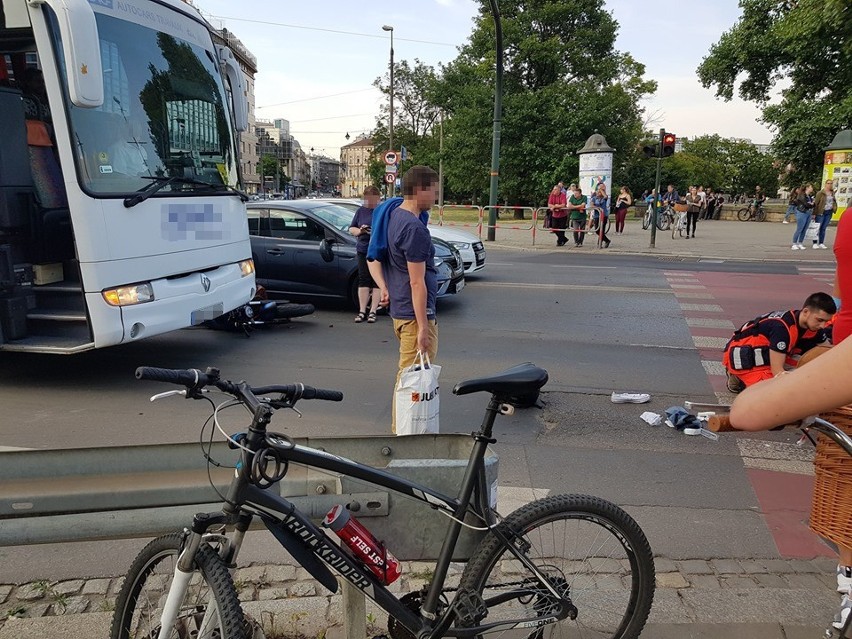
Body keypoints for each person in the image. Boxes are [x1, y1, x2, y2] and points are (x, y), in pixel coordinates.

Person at [367, 165, 440, 433]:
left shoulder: (394, 216)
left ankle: (405, 434)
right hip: (413, 315)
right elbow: (417, 281)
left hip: (401, 311)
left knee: (409, 377)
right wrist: (423, 327)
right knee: (410, 379)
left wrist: (385, 288)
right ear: (420, 189)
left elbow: (384, 260)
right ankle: (403, 438)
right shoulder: (414, 228)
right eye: (434, 190)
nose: (436, 196)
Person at [722, 292, 836, 393]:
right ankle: (736, 375)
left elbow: (828, 352)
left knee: (807, 373)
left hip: (771, 355)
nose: (822, 326)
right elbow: (778, 372)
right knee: (776, 392)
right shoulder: (782, 328)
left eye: (826, 321)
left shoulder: (812, 326)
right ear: (806, 312)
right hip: (745, 357)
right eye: (820, 320)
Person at [348, 186, 382, 323]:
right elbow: (352, 228)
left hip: (378, 249)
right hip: (363, 248)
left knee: (376, 281)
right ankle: (362, 311)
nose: (370, 202)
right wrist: (361, 231)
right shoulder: (361, 211)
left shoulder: (381, 211)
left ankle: (373, 311)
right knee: (364, 279)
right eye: (368, 199)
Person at [812, 179, 836, 249]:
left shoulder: (832, 192)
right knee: (817, 227)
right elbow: (816, 203)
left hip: (829, 212)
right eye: (828, 183)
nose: (830, 185)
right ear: (825, 184)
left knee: (823, 228)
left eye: (831, 183)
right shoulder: (820, 193)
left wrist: (834, 207)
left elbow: (833, 201)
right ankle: (815, 243)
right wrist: (814, 213)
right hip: (821, 212)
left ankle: (821, 242)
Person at [791, 183, 815, 250]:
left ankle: (800, 243)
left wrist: (812, 204)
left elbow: (813, 204)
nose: (812, 188)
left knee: (805, 229)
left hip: (808, 213)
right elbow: (806, 204)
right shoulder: (801, 195)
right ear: (807, 188)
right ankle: (794, 243)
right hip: (802, 212)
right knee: (800, 228)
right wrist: (811, 204)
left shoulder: (809, 196)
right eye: (811, 187)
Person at [588, 183, 610, 248]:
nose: (598, 193)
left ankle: (600, 242)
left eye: (600, 192)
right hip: (597, 215)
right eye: (598, 191)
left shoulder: (604, 198)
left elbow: (605, 196)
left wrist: (601, 190)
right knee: (597, 230)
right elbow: (591, 205)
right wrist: (597, 208)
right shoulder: (594, 198)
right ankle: (607, 240)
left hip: (604, 215)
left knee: (602, 230)